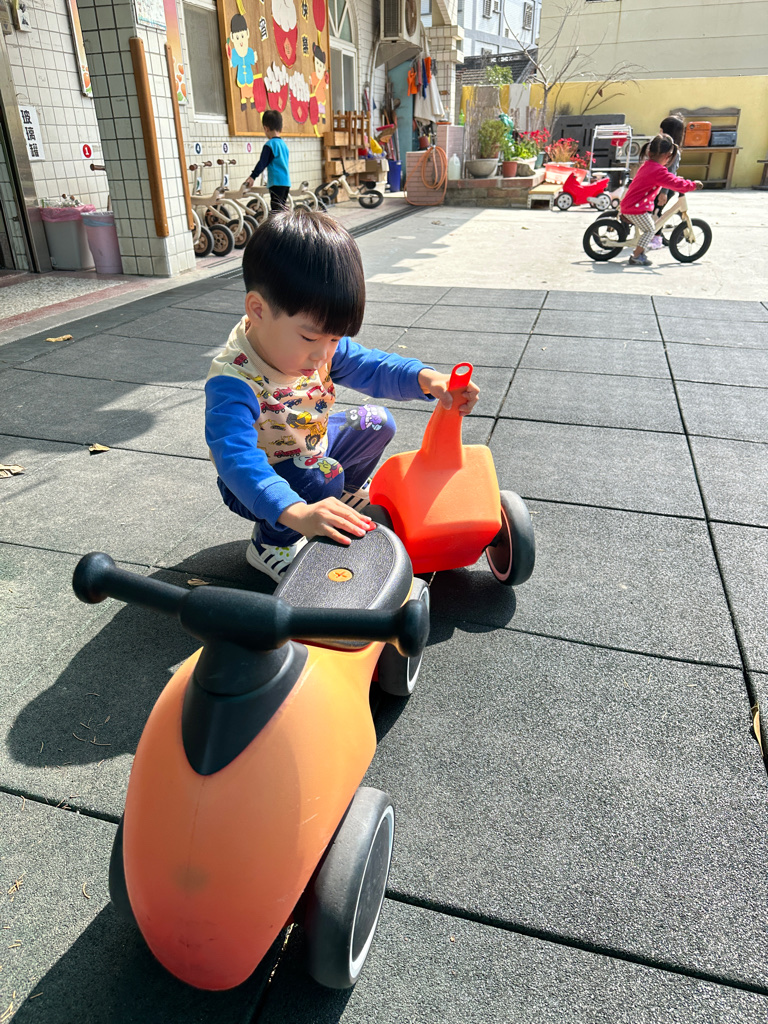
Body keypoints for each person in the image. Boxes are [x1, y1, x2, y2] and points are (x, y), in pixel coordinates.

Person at [204, 210, 480, 582]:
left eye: (335, 338)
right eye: (310, 338)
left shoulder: (319, 347)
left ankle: (343, 491)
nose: (323, 354)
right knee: (323, 477)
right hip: (256, 478)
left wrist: (428, 379)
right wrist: (296, 513)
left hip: (311, 446)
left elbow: (373, 367)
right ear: (258, 310)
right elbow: (236, 461)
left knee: (378, 422)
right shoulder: (234, 381)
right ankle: (271, 542)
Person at [620, 133, 702, 267]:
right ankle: (636, 256)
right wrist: (692, 185)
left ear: (649, 152)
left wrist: (677, 180)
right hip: (634, 208)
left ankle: (639, 251)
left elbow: (670, 179)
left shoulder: (648, 165)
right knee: (650, 230)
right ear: (667, 156)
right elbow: (674, 183)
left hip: (632, 204)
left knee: (648, 226)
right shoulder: (658, 171)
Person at [244, 110, 291, 213]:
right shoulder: (284, 145)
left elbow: (262, 163)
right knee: (281, 209)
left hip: (276, 182)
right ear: (281, 128)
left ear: (266, 128)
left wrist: (252, 177)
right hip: (286, 182)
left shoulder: (270, 145)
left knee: (276, 211)